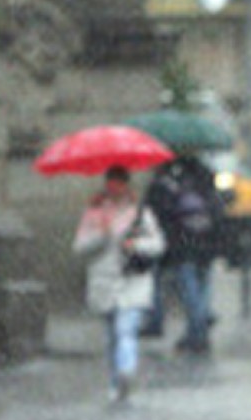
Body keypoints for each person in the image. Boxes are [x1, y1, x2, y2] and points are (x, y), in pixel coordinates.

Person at [72, 165, 165, 403]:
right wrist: (101, 236)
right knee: (112, 336)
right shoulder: (93, 212)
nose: (115, 188)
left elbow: (158, 245)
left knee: (126, 330)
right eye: (111, 183)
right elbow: (79, 247)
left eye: (119, 183)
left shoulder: (140, 212)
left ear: (126, 185)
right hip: (104, 282)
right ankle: (115, 383)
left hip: (132, 281)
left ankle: (126, 373)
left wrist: (136, 245)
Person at [144, 152, 225, 355]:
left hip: (185, 246)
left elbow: (164, 216)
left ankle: (197, 334)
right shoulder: (206, 183)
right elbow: (219, 211)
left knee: (190, 292)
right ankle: (197, 330)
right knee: (202, 289)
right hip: (207, 244)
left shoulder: (172, 185)